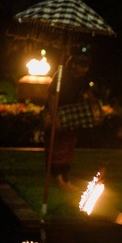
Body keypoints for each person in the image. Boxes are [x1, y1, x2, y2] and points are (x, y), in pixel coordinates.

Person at [44, 48, 94, 192]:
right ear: (73, 65)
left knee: (68, 146)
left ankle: (66, 179)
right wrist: (55, 119)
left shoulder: (81, 79)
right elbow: (52, 96)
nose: (85, 70)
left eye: (87, 67)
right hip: (58, 113)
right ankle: (58, 178)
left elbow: (87, 93)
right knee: (56, 146)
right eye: (82, 66)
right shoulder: (61, 75)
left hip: (71, 116)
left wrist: (95, 105)